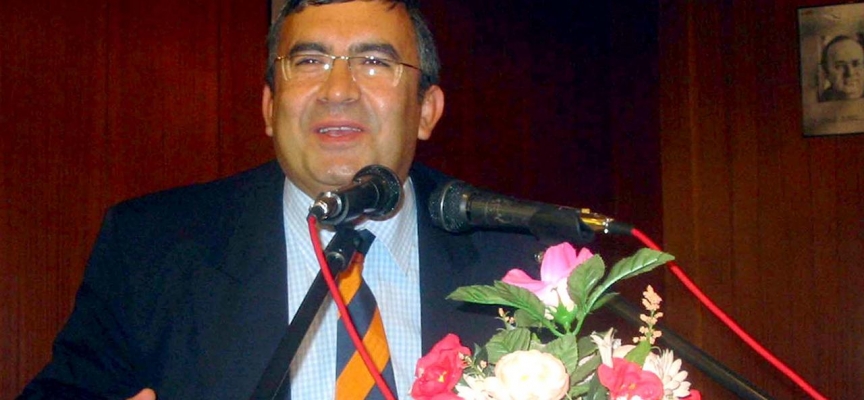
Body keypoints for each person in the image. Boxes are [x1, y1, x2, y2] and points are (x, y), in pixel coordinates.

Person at [19, 1, 546, 399]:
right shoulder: (152, 248)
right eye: (310, 60)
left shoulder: (521, 261)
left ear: (427, 110)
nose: (337, 89)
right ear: (270, 107)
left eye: (373, 61)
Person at [820, 35, 864, 102]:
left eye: (856, 64)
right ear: (826, 73)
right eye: (840, 66)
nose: (850, 72)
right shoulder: (817, 104)